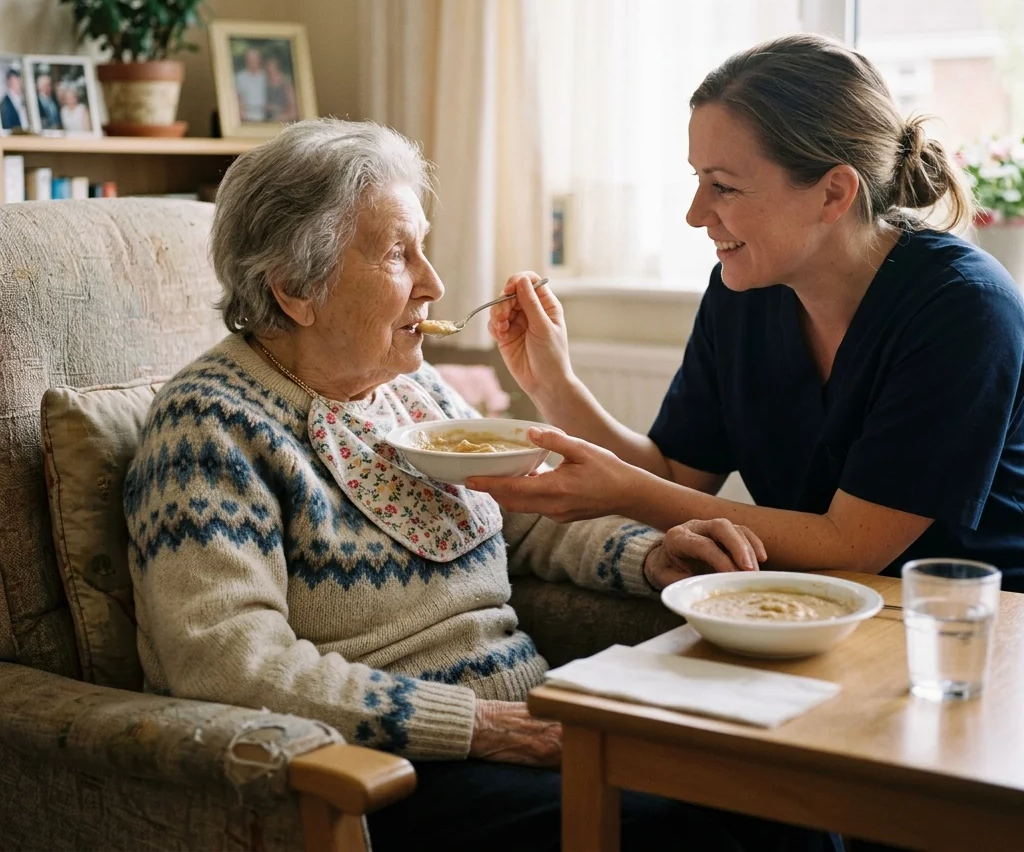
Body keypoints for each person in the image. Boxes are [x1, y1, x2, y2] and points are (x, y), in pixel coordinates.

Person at [124, 119, 837, 852]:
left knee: (782, 797)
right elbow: (226, 662)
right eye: (400, 254)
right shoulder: (208, 430)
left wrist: (650, 555)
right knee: (680, 835)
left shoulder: (411, 389)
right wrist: (483, 728)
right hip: (395, 772)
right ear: (297, 290)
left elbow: (521, 511)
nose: (434, 283)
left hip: (522, 724)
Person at [471, 33, 1024, 593]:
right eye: (698, 180)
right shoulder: (744, 292)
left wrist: (625, 492)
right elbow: (672, 476)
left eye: (724, 187)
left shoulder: (964, 309)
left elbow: (855, 547)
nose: (694, 215)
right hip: (817, 609)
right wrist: (553, 384)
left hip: (972, 628)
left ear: (833, 193)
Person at [234, 45, 268, 121]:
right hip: (246, 117)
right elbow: (238, 97)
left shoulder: (265, 76)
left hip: (265, 117)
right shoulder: (240, 77)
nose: (252, 61)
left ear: (259, 60)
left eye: (254, 58)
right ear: (246, 60)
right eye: (249, 59)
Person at [264, 55, 298, 122]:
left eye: (271, 67)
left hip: (285, 113)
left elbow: (292, 101)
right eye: (268, 67)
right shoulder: (265, 81)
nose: (270, 69)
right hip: (269, 114)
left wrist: (288, 111)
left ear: (277, 67)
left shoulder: (285, 80)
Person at [0, 67, 28, 131]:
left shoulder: (26, 100)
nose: (20, 83)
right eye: (17, 80)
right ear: (9, 81)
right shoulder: (4, 104)